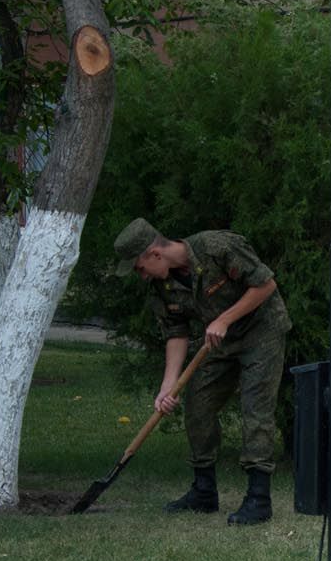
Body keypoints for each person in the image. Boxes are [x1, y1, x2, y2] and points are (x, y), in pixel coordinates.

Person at [114, 218, 291, 526]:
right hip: (218, 342)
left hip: (262, 332)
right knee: (198, 404)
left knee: (256, 409)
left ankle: (259, 499)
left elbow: (265, 285)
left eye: (139, 267)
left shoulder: (217, 247)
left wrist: (224, 319)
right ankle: (204, 492)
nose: (141, 276)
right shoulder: (162, 286)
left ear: (155, 254)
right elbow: (176, 333)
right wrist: (168, 387)